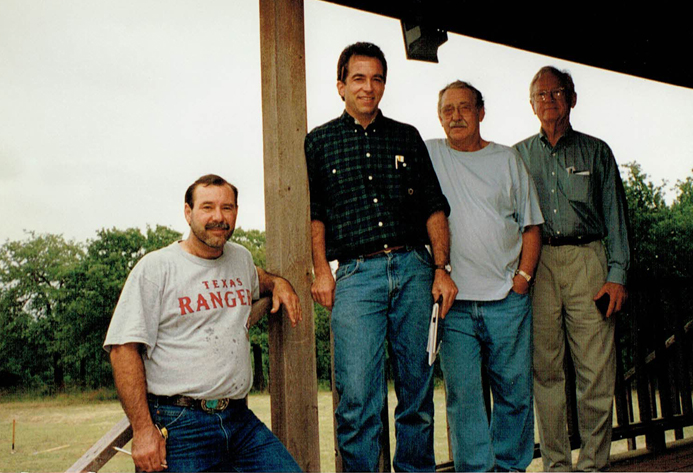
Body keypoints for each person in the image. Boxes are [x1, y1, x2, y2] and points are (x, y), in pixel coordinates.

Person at [304, 42, 457, 472]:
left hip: (414, 270)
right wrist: (322, 272)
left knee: (417, 396)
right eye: (358, 78)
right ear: (341, 86)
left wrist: (441, 270)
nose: (368, 87)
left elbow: (433, 206)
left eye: (376, 79)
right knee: (356, 400)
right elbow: (315, 215)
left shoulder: (405, 136)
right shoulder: (318, 143)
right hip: (355, 276)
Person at [103, 174, 303, 473]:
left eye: (228, 208)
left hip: (239, 420)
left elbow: (260, 280)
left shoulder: (240, 259)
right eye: (207, 207)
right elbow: (122, 350)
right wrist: (144, 430)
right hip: (180, 423)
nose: (218, 217)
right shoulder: (156, 268)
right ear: (188, 212)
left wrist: (279, 283)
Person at [514, 66, 631, 472]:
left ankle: (594, 465)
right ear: (531, 105)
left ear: (572, 98)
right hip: (538, 264)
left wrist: (617, 274)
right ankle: (557, 466)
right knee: (545, 372)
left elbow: (616, 217)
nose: (549, 100)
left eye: (557, 92)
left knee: (595, 372)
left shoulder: (597, 151)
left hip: (589, 262)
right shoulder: (517, 155)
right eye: (540, 95)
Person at [425, 80, 543, 472]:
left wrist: (523, 277)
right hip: (453, 305)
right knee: (464, 398)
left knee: (514, 394)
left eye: (464, 108)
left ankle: (510, 469)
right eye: (447, 110)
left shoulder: (508, 159)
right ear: (439, 116)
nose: (456, 116)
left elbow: (531, 225)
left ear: (481, 112)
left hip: (507, 300)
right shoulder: (428, 154)